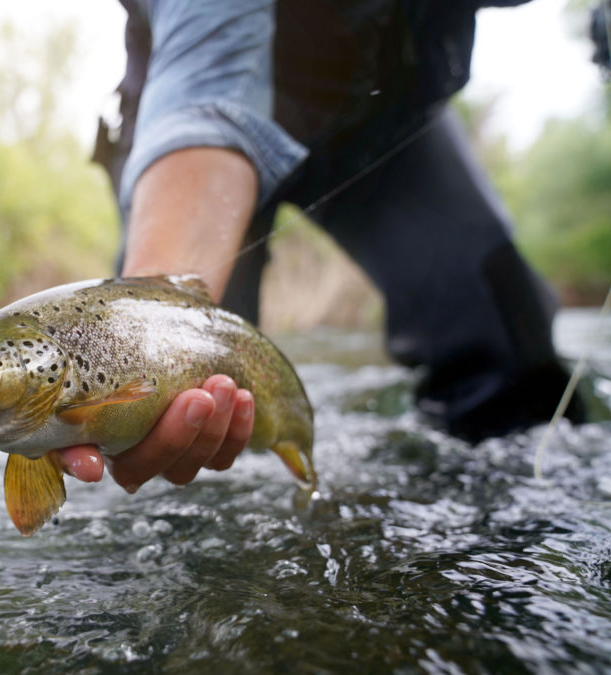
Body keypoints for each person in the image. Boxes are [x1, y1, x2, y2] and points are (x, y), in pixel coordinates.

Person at [53, 0, 586, 491]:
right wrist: (139, 340)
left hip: (381, 122)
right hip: (200, 124)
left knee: (506, 351)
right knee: (161, 418)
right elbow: (206, 99)